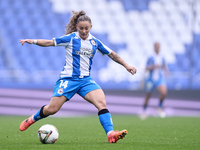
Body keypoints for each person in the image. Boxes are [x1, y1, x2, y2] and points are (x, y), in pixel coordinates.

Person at [19, 10, 137, 143]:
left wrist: (127, 65)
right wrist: (32, 41)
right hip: (68, 80)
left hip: (85, 81)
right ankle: (31, 119)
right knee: (52, 109)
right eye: (81, 28)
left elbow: (112, 54)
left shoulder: (95, 42)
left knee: (102, 103)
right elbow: (49, 42)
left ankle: (110, 134)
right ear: (77, 27)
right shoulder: (70, 38)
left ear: (90, 27)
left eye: (86, 28)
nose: (84, 31)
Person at [140, 42, 168, 120]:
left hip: (159, 78)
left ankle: (159, 108)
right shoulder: (150, 57)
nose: (157, 48)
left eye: (158, 46)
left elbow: (164, 65)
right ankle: (144, 111)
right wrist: (154, 66)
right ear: (154, 47)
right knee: (148, 95)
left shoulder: (162, 57)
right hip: (150, 79)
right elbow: (145, 67)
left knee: (164, 92)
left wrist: (166, 72)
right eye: (156, 46)